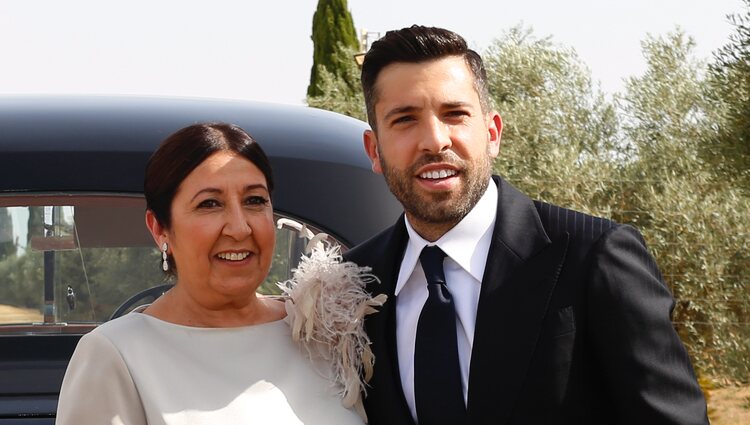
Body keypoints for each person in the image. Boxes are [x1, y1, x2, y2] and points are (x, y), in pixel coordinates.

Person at [344, 25, 709, 425]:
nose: (435, 141)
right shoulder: (353, 283)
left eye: (455, 114)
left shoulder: (595, 257)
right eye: (405, 119)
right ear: (374, 150)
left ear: (493, 132)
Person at [56, 123, 364, 425]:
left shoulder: (325, 331)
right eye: (210, 204)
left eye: (254, 201)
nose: (240, 227)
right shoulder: (116, 355)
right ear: (160, 229)